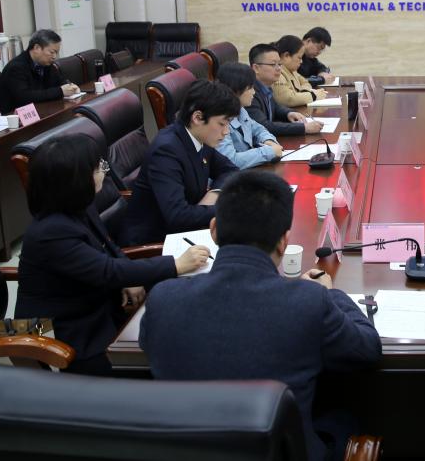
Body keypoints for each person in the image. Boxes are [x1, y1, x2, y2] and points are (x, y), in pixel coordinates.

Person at [141, 170, 381, 461]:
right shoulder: (309, 301)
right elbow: (368, 349)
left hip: (189, 451)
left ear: (214, 230)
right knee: (344, 418)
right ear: (284, 241)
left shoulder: (163, 299)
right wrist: (331, 293)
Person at [15, 134, 210, 375]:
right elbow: (107, 271)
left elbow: (109, 247)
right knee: (170, 357)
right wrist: (176, 264)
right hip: (72, 333)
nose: (104, 171)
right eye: (98, 167)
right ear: (76, 179)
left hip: (100, 304)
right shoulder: (51, 232)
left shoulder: (78, 206)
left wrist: (130, 279)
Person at [120, 80, 239, 246]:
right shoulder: (166, 151)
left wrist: (214, 194)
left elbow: (230, 170)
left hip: (189, 230)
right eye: (222, 124)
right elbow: (178, 216)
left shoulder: (199, 137)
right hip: (155, 243)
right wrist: (228, 209)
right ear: (197, 118)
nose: (226, 132)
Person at [215, 62, 284, 168]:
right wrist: (268, 152)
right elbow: (230, 161)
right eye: (250, 88)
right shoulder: (218, 118)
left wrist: (268, 141)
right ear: (235, 90)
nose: (254, 92)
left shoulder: (240, 109)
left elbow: (258, 129)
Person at [247, 43, 322, 137]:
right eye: (273, 64)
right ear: (256, 68)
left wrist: (288, 113)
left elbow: (275, 107)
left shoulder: (265, 86)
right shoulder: (248, 92)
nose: (279, 69)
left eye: (279, 64)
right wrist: (303, 128)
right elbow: (263, 126)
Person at [0, 29, 80, 111]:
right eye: (52, 52)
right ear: (37, 48)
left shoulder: (46, 63)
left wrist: (70, 86)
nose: (54, 56)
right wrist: (60, 91)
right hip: (15, 115)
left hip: (41, 109)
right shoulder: (16, 67)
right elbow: (25, 97)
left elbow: (59, 81)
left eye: (56, 53)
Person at [273, 35, 329, 107]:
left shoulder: (292, 71)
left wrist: (302, 92)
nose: (301, 61)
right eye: (299, 58)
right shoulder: (277, 73)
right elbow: (288, 99)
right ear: (286, 55)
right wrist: (313, 95)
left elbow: (305, 82)